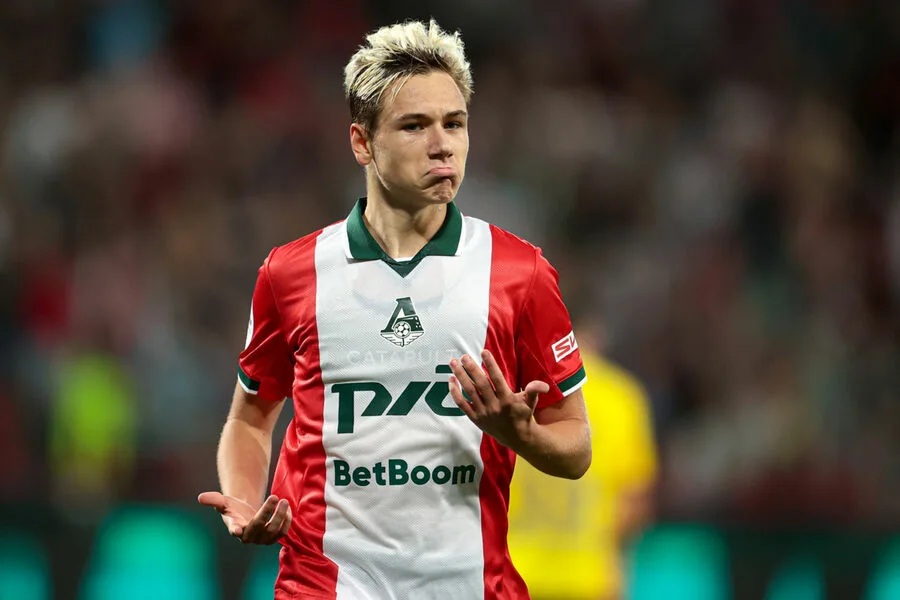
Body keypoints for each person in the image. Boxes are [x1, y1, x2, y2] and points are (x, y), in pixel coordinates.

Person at [198, 19, 591, 599]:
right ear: (362, 142)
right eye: (415, 126)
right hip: (323, 584)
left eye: (455, 123)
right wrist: (242, 499)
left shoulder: (519, 271)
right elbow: (250, 417)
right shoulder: (290, 273)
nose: (443, 144)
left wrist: (522, 433)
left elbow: (576, 447)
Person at [507, 321, 658, 600]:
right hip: (590, 578)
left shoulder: (511, 390)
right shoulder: (620, 395)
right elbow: (634, 503)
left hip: (516, 574)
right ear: (596, 330)